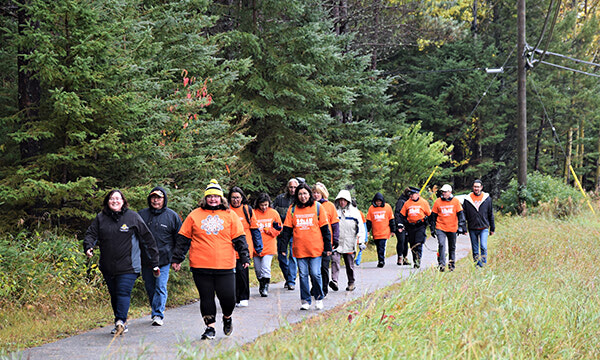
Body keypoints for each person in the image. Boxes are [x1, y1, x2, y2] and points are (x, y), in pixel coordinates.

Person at [171, 179, 250, 340]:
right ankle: (210, 327)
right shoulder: (195, 215)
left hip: (225, 264)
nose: (213, 199)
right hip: (200, 264)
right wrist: (177, 259)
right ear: (205, 198)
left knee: (228, 298)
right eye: (210, 196)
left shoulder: (230, 215)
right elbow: (183, 239)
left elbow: (240, 238)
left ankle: (227, 318)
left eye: (216, 196)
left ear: (221, 199)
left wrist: (244, 256)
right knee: (206, 297)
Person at [83, 189, 160, 335]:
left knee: (123, 292)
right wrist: (89, 247)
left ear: (123, 201)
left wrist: (154, 262)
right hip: (108, 266)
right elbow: (91, 234)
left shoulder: (132, 217)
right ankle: (121, 321)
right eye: (112, 198)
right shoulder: (101, 218)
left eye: (118, 198)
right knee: (114, 294)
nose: (115, 201)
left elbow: (148, 239)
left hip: (129, 266)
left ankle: (120, 321)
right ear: (107, 201)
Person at [278, 183, 331, 310]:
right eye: (300, 194)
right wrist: (283, 248)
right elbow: (286, 231)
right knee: (302, 275)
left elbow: (325, 229)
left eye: (305, 193)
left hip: (315, 249)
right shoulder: (293, 209)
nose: (303, 196)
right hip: (299, 249)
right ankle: (305, 300)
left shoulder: (317, 207)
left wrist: (328, 247)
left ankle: (318, 297)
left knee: (315, 274)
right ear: (297, 195)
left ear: (309, 194)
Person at [138, 186, 182, 326]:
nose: (156, 200)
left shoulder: (172, 216)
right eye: (153, 197)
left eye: (159, 198)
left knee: (160, 286)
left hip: (164, 259)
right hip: (146, 260)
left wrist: (177, 259)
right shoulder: (141, 215)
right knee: (150, 287)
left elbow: (179, 239)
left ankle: (158, 314)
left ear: (164, 199)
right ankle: (155, 308)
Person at [228, 187, 263, 307]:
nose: (235, 200)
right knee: (232, 275)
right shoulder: (226, 210)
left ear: (242, 198)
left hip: (244, 248)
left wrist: (258, 247)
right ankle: (234, 298)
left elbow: (255, 230)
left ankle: (243, 297)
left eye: (238, 197)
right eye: (233, 197)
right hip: (229, 249)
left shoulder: (247, 210)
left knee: (242, 273)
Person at [331, 190, 365, 291]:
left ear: (348, 201)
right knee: (335, 261)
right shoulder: (335, 211)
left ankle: (351, 282)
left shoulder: (355, 212)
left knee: (349, 264)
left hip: (350, 242)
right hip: (337, 241)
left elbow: (361, 228)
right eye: (340, 200)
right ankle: (334, 281)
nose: (342, 202)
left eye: (344, 200)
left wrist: (361, 241)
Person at [430, 184, 466, 272]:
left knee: (452, 247)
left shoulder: (455, 201)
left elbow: (461, 215)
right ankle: (441, 265)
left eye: (445, 192)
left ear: (450, 192)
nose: (444, 193)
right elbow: (433, 216)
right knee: (442, 245)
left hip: (452, 227)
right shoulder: (438, 202)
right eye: (443, 192)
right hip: (440, 227)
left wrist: (461, 227)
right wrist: (432, 228)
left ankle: (451, 265)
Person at [311, 182, 339, 296]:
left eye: (318, 193)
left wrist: (335, 239)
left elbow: (335, 224)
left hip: (327, 241)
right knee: (312, 268)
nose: (316, 195)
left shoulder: (329, 206)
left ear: (322, 194)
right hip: (312, 241)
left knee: (323, 267)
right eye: (314, 193)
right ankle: (315, 287)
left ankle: (323, 287)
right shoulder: (309, 206)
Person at [253, 193, 282, 297]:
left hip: (269, 246)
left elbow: (278, 229)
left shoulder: (273, 213)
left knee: (265, 267)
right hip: (256, 246)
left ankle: (265, 287)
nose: (264, 207)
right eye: (262, 205)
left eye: (266, 205)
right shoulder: (253, 213)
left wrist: (269, 230)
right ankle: (261, 283)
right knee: (257, 269)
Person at [273, 178, 299, 290]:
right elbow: (272, 214)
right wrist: (276, 228)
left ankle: (291, 280)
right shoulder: (280, 199)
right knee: (282, 256)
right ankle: (288, 278)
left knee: (293, 256)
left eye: (295, 187)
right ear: (287, 188)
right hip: (282, 233)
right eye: (291, 187)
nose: (293, 189)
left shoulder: (300, 199)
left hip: (295, 232)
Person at [462, 179, 495, 267]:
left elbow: (490, 213)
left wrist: (492, 228)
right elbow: (463, 215)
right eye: (475, 187)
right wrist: (463, 228)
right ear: (473, 187)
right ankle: (477, 264)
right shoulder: (467, 199)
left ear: (481, 187)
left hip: (484, 227)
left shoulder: (487, 198)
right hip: (472, 227)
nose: (476, 188)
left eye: (478, 187)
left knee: (483, 246)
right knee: (475, 248)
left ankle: (484, 263)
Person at [399, 187, 432, 269]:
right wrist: (403, 223)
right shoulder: (407, 203)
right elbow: (402, 215)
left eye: (413, 194)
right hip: (410, 226)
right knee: (412, 244)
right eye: (410, 194)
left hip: (420, 226)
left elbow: (429, 214)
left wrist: (429, 224)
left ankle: (418, 259)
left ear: (418, 194)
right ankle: (415, 259)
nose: (411, 196)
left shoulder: (423, 202)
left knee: (418, 243)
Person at [366, 192, 396, 268]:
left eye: (380, 201)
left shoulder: (387, 207)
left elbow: (391, 220)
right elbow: (369, 221)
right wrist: (367, 231)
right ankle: (380, 258)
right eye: (377, 201)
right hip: (376, 232)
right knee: (378, 247)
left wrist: (393, 230)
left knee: (382, 247)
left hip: (384, 232)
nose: (379, 203)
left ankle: (381, 261)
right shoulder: (371, 208)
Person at [393, 188, 412, 266]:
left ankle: (405, 257)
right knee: (401, 240)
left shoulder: (410, 202)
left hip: (408, 224)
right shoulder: (401, 202)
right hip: (400, 225)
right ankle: (400, 257)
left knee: (406, 242)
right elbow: (397, 214)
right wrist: (399, 224)